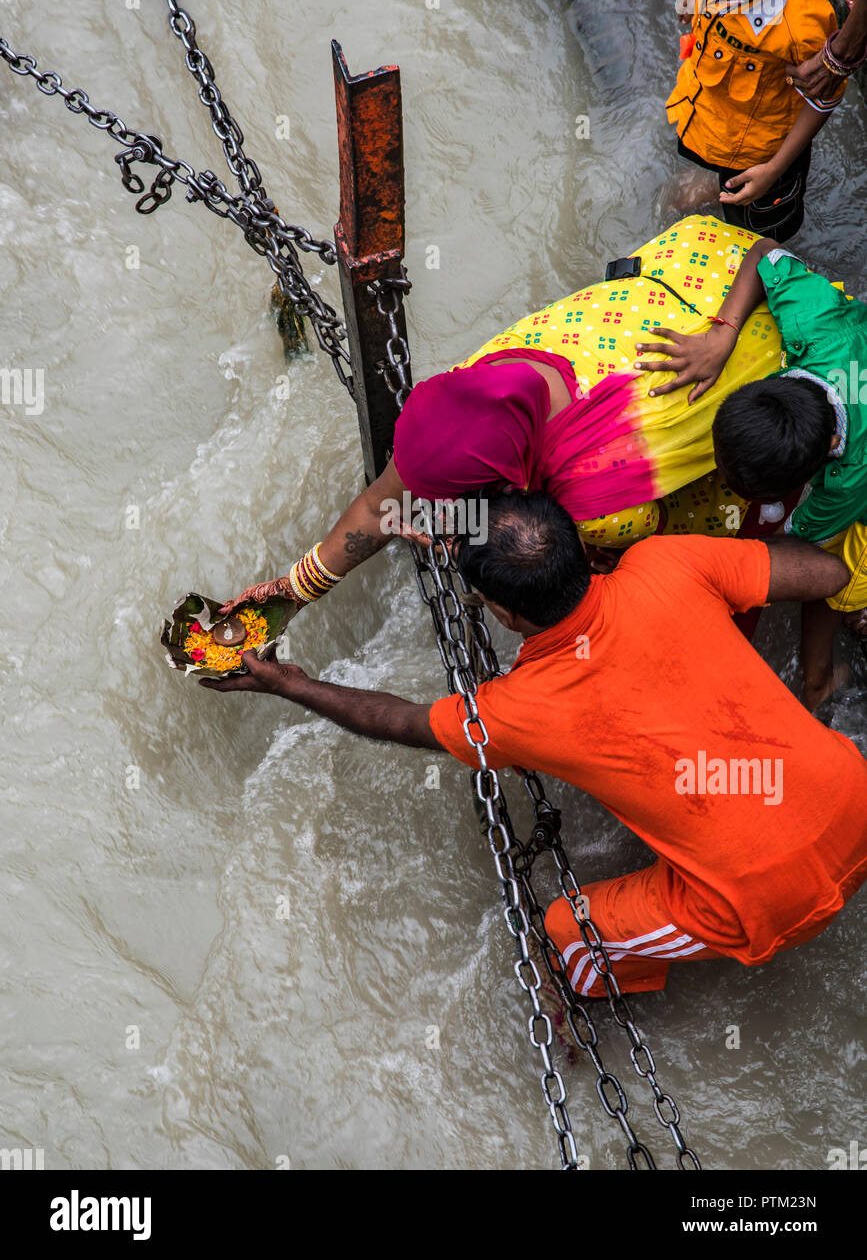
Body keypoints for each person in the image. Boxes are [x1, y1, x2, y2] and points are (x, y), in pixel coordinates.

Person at [203, 491, 867, 999]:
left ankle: (590, 1009)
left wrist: (292, 685)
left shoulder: (515, 711)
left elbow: (395, 720)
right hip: (850, 790)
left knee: (565, 932)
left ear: (504, 614)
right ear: (580, 545)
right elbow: (823, 574)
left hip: (767, 898)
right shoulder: (669, 561)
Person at [223, 216, 789, 619]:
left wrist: (463, 530)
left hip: (776, 366)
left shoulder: (593, 502)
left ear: (505, 486)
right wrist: (291, 591)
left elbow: (615, 549)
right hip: (717, 261)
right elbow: (383, 501)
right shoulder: (490, 376)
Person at [633, 235, 867, 710]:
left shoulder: (847, 482)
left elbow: (804, 549)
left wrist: (710, 566)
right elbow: (764, 252)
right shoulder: (813, 326)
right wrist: (724, 331)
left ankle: (819, 679)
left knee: (847, 587)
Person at [667, 0, 847, 240]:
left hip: (761, 155)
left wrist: (774, 169)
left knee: (760, 233)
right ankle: (717, 182)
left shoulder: (800, 29)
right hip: (711, 113)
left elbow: (825, 96)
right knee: (725, 180)